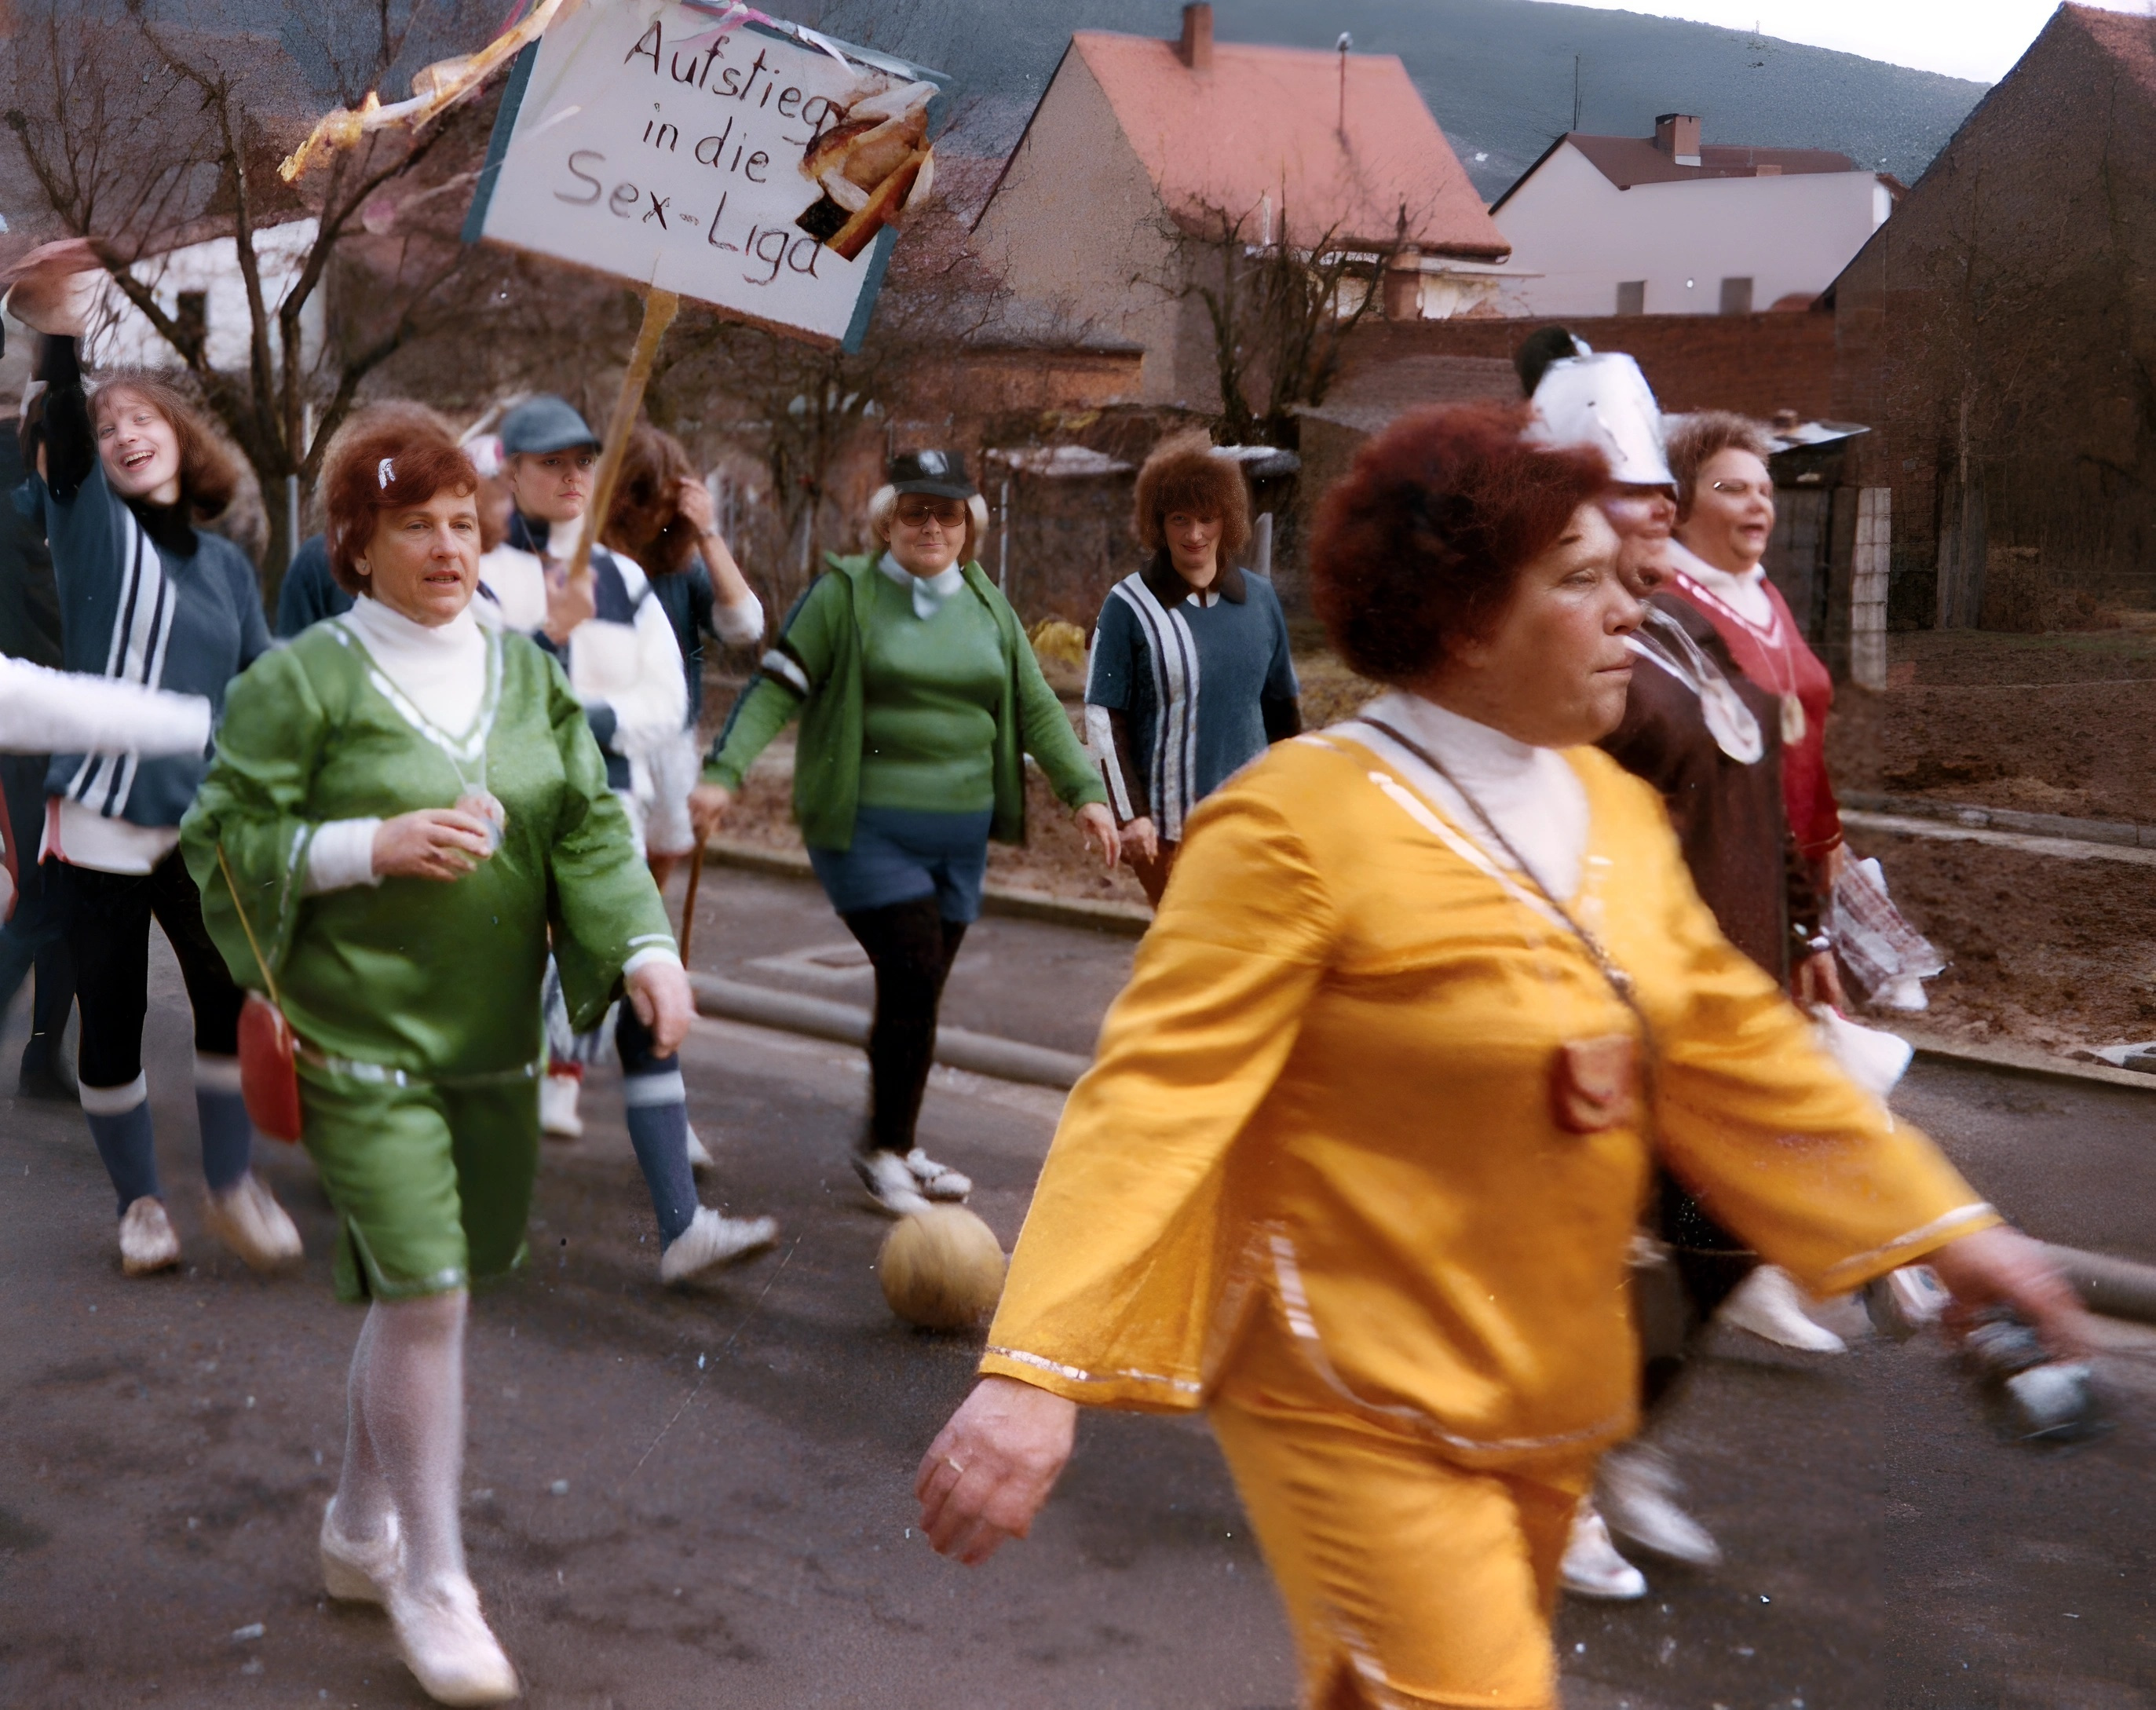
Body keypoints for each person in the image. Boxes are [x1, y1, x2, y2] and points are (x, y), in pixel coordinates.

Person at [912, 402, 2087, 1710]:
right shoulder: (1292, 826)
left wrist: (1942, 1225)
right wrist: (1037, 1371)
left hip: (1542, 1388)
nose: (1631, 604)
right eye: (1581, 580)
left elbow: (1732, 1044)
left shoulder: (1612, 811)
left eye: (1621, 573)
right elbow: (1150, 1101)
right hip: (1349, 1388)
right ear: (1467, 619)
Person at [181, 411, 703, 1705]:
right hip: (358, 1038)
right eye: (414, 521)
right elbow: (221, 835)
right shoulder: (302, 679)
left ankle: (361, 1523)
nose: (447, 544)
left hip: (492, 1043)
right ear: (356, 543)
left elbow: (585, 820)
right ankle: (435, 1577)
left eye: (464, 520)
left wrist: (642, 943)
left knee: (428, 1284)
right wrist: (366, 845)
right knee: (429, 1290)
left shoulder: (526, 674)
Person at [1522, 344, 1844, 1600]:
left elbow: (1760, 803)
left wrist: (1807, 937)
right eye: (1624, 499)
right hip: (1615, 1019)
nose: (1654, 517)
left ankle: (1615, 1443)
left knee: (1715, 1245)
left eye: (1660, 497)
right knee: (1595, 1259)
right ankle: (1563, 1477)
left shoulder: (1700, 642)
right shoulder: (1578, 670)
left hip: (1729, 1008)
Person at [692, 450, 1118, 1215]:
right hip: (865, 832)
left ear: (968, 529)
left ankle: (897, 1139)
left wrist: (1083, 792)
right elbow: (773, 690)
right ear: (888, 518)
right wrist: (724, 774)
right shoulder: (844, 595)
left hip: (959, 841)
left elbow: (1037, 709)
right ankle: (884, 1150)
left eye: (946, 513)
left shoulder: (986, 605)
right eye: (915, 510)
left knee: (915, 992)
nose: (930, 525)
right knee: (914, 972)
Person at [5, 240, 298, 1278]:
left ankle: (230, 1183)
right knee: (115, 1023)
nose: (128, 432)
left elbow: (267, 680)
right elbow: (72, 437)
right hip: (98, 820)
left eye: (148, 418)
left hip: (204, 820)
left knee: (227, 1006)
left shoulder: (225, 564)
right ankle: (139, 1203)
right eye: (114, 422)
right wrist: (60, 331)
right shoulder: (87, 523)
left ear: (184, 442)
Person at [493, 394, 775, 1271]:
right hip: (500, 826)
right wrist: (546, 643)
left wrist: (575, 716)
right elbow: (476, 702)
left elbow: (664, 709)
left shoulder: (626, 581)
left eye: (584, 461)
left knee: (650, 1008)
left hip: (599, 827)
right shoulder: (472, 573)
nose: (573, 476)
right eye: (551, 462)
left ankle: (683, 1228)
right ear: (512, 471)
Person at [1084, 433, 1300, 907]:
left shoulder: (1261, 600)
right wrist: (1131, 815)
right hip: (1166, 836)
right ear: (1158, 524)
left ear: (1228, 520)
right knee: (1195, 964)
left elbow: (1282, 714)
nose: (1195, 534)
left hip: (1250, 830)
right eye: (1180, 520)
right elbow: (1103, 718)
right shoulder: (1128, 606)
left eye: (1207, 518)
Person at [600, 424, 766, 890]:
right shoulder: (583, 564)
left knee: (650, 881)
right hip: (602, 743)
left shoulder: (681, 566)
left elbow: (746, 626)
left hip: (668, 747)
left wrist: (708, 535)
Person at [1, 378, 79, 1098]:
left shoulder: (92, 518)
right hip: (32, 732)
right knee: (39, 896)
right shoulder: (15, 517)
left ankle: (42, 1053)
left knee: (72, 901)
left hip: (85, 729)